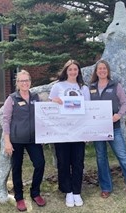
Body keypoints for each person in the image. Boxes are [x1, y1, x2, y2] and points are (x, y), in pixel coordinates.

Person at [89, 59, 126, 202]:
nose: (102, 71)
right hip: (98, 130)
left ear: (107, 71)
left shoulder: (115, 86)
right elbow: (87, 107)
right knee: (101, 158)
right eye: (99, 69)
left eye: (104, 68)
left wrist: (118, 115)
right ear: (96, 72)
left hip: (114, 128)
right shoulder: (91, 87)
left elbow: (124, 103)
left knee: (124, 158)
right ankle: (106, 187)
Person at [49, 59, 90, 207]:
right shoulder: (57, 86)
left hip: (79, 131)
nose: (73, 72)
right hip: (61, 131)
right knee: (63, 162)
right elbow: (49, 108)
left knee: (78, 162)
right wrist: (55, 101)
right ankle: (68, 192)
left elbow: (88, 110)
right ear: (66, 71)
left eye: (75, 69)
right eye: (70, 69)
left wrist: (87, 132)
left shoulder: (83, 88)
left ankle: (77, 191)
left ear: (78, 71)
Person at [3, 70, 46, 211]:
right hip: (16, 140)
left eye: (26, 80)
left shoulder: (35, 97)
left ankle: (35, 193)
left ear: (30, 81)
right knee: (17, 168)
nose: (25, 83)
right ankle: (19, 198)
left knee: (40, 163)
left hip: (33, 139)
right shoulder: (12, 99)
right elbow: (6, 120)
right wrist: (7, 141)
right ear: (18, 83)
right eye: (22, 81)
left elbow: (43, 113)